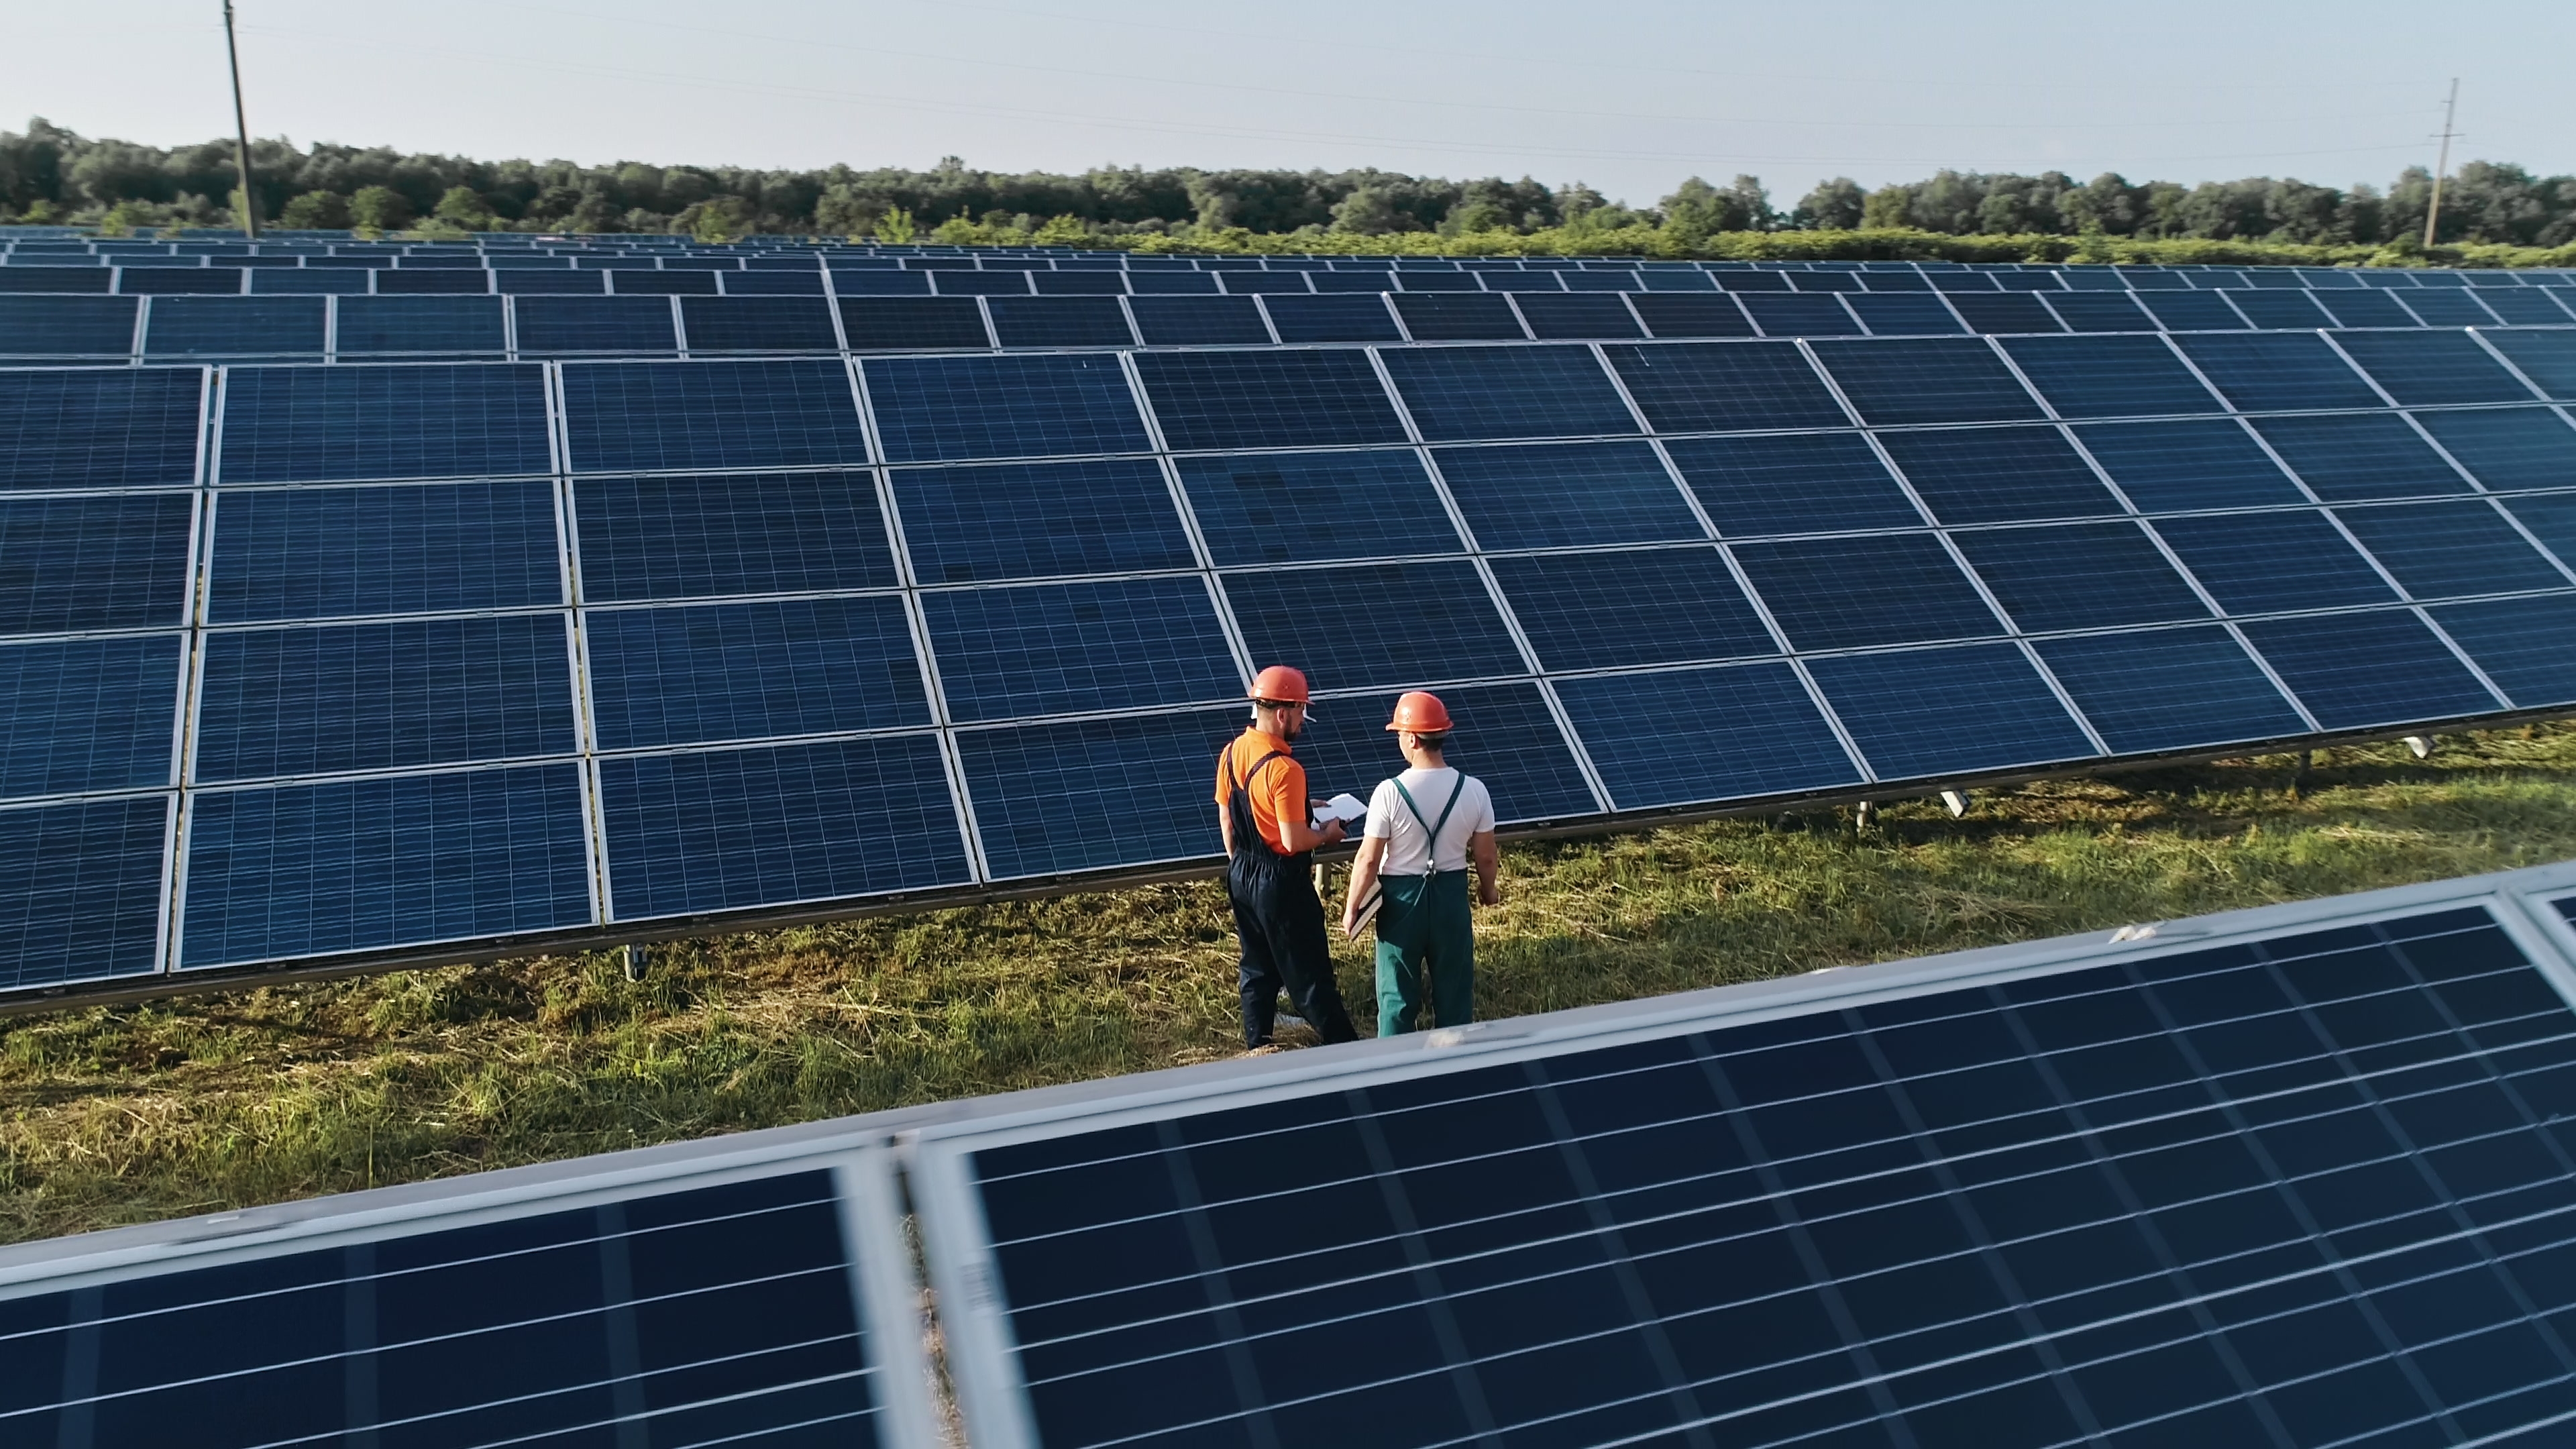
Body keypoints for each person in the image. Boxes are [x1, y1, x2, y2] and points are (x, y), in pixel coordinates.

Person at [1215, 665, 1360, 1051]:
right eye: (1300, 713)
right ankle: (1345, 1045)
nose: (1302, 722)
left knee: (1257, 966)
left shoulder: (1231, 753)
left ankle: (1257, 1043)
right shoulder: (1286, 769)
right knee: (1310, 973)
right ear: (1283, 714)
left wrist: (1240, 866)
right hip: (1281, 881)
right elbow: (1294, 840)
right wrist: (1326, 835)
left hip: (1243, 871)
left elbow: (1230, 815)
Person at [1342, 692, 1499, 1034]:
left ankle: (1395, 1072)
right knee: (1454, 991)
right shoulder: (1474, 790)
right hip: (1451, 897)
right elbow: (1486, 855)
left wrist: (1353, 907)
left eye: (1399, 733)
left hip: (1400, 903)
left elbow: (1369, 858)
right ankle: (1455, 1069)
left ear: (1412, 738)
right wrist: (1489, 891)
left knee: (1396, 994)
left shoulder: (1389, 792)